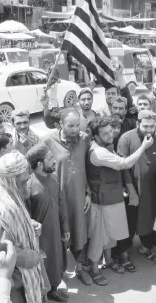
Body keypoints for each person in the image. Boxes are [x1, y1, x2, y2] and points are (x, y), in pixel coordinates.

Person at [86, 117, 154, 285]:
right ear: (95, 136)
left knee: (111, 234)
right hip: (101, 201)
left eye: (111, 131)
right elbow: (123, 164)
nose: (111, 135)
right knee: (99, 236)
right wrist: (144, 147)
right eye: (105, 133)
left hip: (113, 197)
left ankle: (108, 261)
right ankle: (94, 270)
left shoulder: (106, 146)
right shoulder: (97, 152)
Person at [0, 151, 47, 303]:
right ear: (12, 179)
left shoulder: (8, 193)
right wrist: (31, 257)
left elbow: (12, 225)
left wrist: (29, 224)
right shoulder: (4, 208)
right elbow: (0, 245)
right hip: (14, 280)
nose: (29, 179)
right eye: (24, 178)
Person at [42, 107, 92, 285]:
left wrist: (88, 193)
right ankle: (60, 273)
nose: (75, 129)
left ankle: (80, 268)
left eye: (77, 125)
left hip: (79, 197)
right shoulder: (48, 140)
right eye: (70, 126)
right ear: (60, 124)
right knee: (60, 235)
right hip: (58, 198)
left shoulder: (85, 139)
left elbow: (89, 168)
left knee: (80, 232)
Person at [116, 110, 156, 266]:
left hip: (150, 189)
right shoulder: (126, 138)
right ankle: (123, 253)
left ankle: (145, 247)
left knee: (147, 219)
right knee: (128, 222)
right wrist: (131, 191)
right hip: (132, 189)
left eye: (152, 126)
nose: (149, 130)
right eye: (145, 126)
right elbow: (122, 167)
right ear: (138, 123)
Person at [26, 144, 70, 302]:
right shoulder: (29, 186)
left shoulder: (53, 177)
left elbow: (61, 202)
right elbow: (26, 217)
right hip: (41, 238)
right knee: (45, 266)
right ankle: (46, 293)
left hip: (56, 231)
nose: (55, 161)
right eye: (50, 158)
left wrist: (65, 227)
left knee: (58, 261)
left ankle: (54, 289)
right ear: (39, 164)